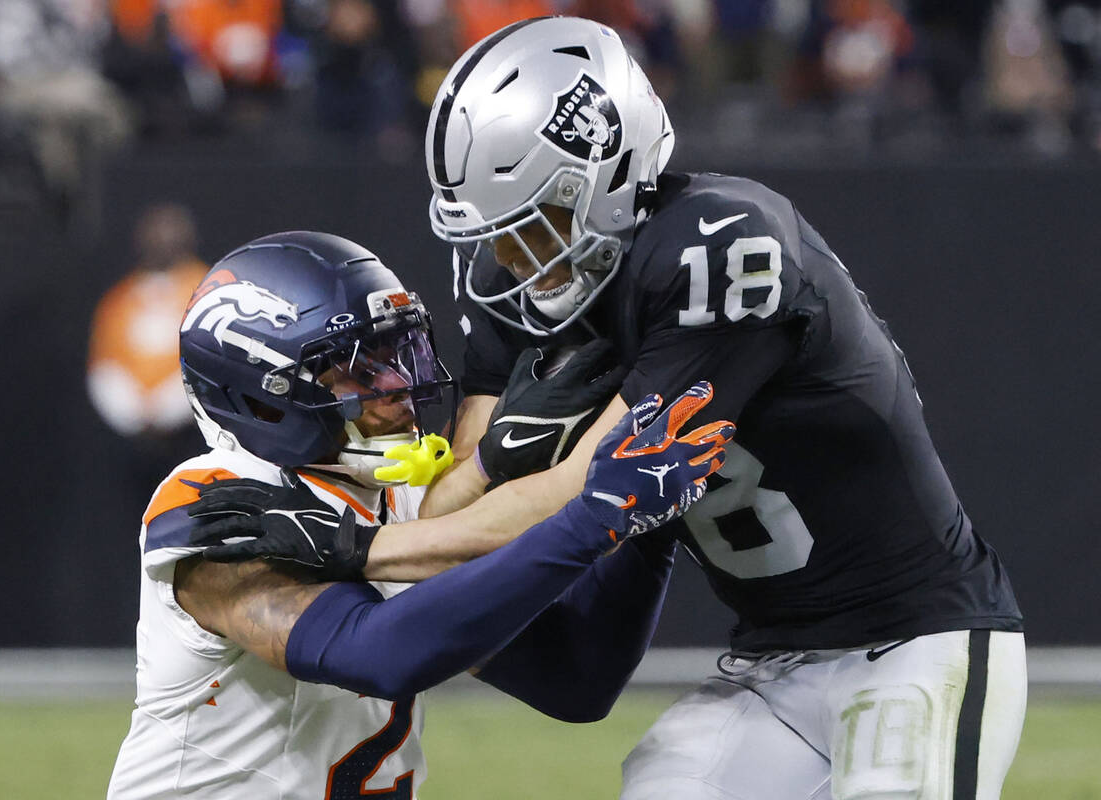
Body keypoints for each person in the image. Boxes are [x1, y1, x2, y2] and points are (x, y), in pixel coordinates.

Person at [193, 17, 1027, 800]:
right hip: (770, 662)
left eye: (537, 222)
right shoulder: (513, 285)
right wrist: (467, 482)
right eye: (498, 233)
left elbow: (589, 485)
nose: (513, 255)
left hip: (918, 637)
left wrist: (360, 548)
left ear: (610, 172)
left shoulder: (722, 244)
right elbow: (455, 497)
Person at [107, 230, 734, 799]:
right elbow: (377, 653)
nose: (398, 383)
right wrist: (590, 517)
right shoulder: (211, 505)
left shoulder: (397, 496)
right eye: (360, 369)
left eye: (398, 351)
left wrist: (647, 522)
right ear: (264, 397)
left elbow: (573, 679)